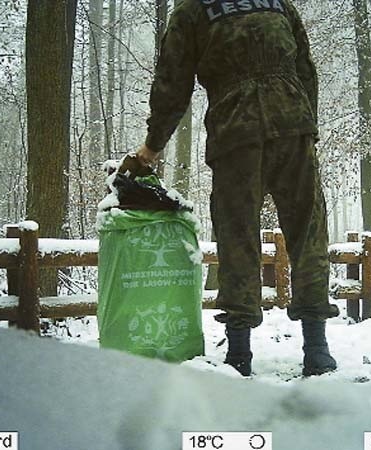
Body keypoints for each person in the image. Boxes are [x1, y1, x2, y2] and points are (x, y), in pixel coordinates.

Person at [131, 0, 339, 377]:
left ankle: (239, 353)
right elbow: (306, 70)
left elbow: (172, 82)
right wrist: (308, 125)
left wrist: (153, 145)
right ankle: (317, 348)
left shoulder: (192, 10)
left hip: (235, 130)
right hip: (293, 123)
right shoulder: (278, 3)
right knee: (308, 233)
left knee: (237, 235)